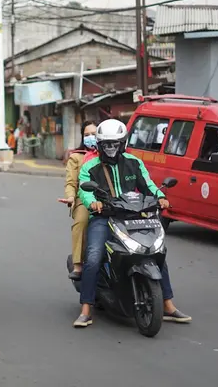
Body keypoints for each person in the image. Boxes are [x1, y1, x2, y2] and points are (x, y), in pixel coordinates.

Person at [75, 119, 191, 327]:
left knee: (155, 253)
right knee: (93, 258)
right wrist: (93, 203)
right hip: (104, 218)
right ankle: (86, 308)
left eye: (115, 144)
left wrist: (161, 196)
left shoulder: (134, 162)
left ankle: (168, 305)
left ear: (123, 143)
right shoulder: (90, 167)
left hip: (133, 216)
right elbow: (84, 190)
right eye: (107, 144)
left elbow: (148, 184)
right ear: (100, 145)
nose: (111, 148)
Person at [59, 120, 98, 280]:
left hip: (108, 200)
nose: (90, 138)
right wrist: (70, 197)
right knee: (81, 221)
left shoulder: (110, 153)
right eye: (86, 135)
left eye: (94, 134)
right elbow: (71, 183)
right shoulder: (77, 157)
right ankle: (78, 265)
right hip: (83, 199)